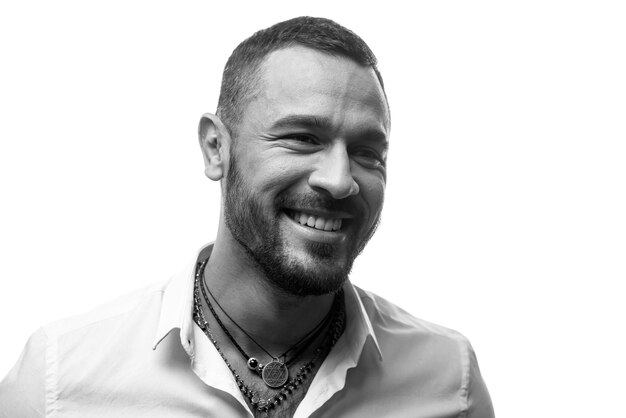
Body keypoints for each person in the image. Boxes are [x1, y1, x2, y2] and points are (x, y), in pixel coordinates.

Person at [0, 16, 494, 418]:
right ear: (217, 148)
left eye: (368, 152)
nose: (340, 179)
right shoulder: (58, 378)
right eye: (303, 138)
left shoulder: (450, 380)